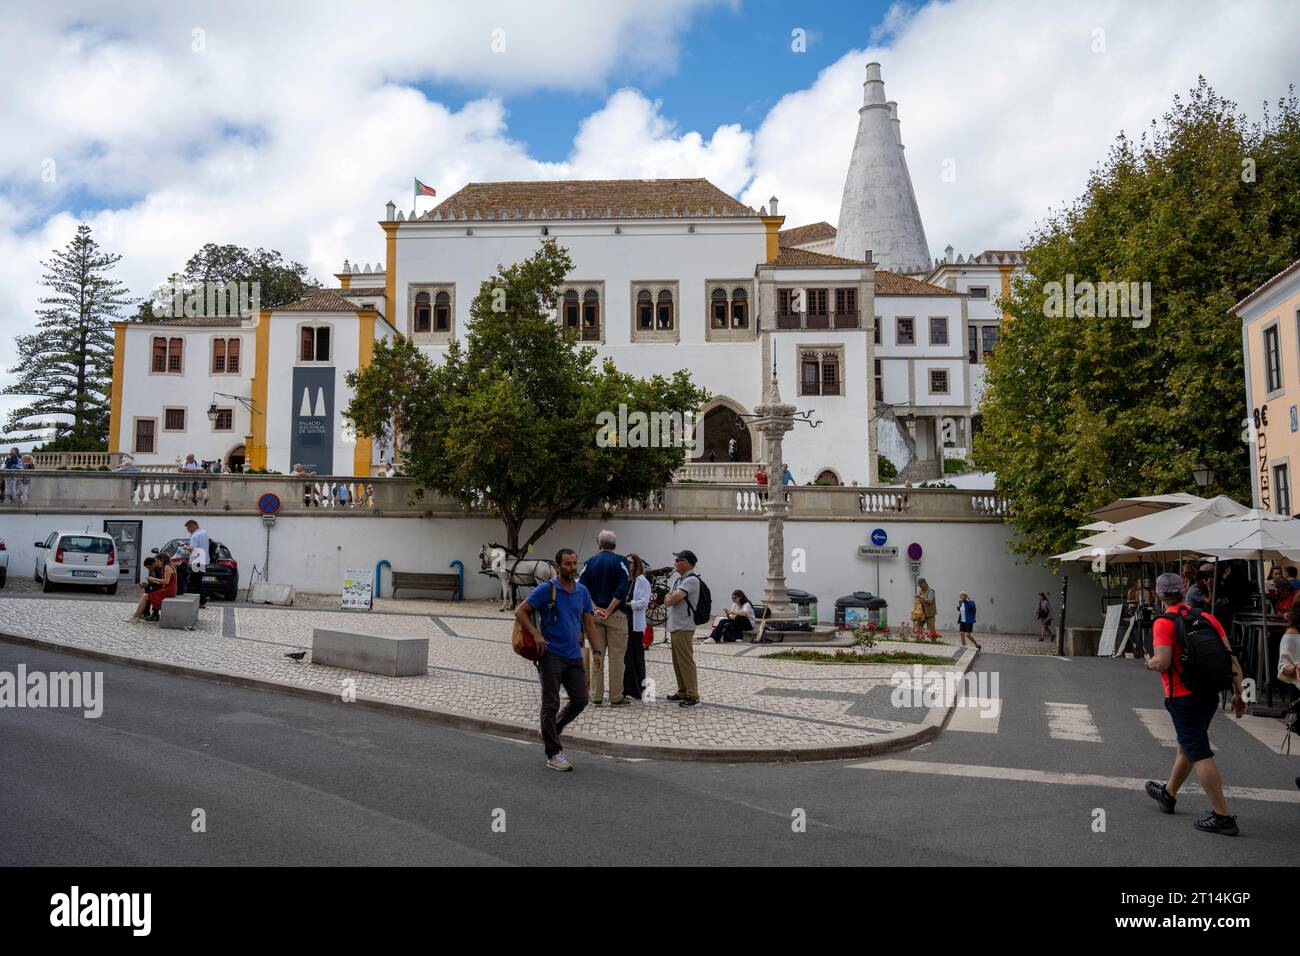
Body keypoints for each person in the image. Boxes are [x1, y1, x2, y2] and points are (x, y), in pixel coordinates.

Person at [1143, 572, 1246, 836]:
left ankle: (1223, 817)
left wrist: (1149, 662)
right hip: (1209, 693)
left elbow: (1163, 661)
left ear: (1159, 594)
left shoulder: (1163, 622)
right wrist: (1239, 693)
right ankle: (1168, 794)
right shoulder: (1207, 617)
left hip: (1182, 695)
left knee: (1199, 751)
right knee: (1188, 745)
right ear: (1183, 589)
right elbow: (1231, 658)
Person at [515, 548, 595, 772]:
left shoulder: (582, 591)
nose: (571, 567)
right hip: (551, 655)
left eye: (574, 563)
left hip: (574, 656)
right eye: (567, 564)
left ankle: (550, 729)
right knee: (551, 703)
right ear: (557, 567)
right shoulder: (546, 589)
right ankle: (553, 753)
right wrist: (537, 634)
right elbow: (520, 611)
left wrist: (596, 651)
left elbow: (588, 622)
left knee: (581, 699)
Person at [577, 530, 631, 707]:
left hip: (594, 616)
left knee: (596, 655)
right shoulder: (622, 561)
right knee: (617, 658)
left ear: (598, 544)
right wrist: (608, 609)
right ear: (614, 545)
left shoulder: (590, 562)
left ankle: (596, 696)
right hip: (616, 615)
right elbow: (623, 588)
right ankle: (616, 697)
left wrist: (594, 608)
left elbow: (581, 587)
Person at [663, 549, 702, 707]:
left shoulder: (691, 580)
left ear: (687, 563)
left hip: (684, 626)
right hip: (676, 625)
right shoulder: (679, 580)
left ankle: (693, 695)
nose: (675, 563)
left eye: (678, 560)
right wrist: (669, 597)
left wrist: (668, 597)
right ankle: (682, 691)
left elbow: (672, 599)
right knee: (677, 661)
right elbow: (670, 597)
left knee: (685, 661)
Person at [623, 553, 651, 701]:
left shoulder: (642, 581)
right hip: (626, 623)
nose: (629, 565)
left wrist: (628, 604)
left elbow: (644, 602)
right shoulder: (627, 580)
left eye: (631, 563)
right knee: (627, 658)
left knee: (636, 657)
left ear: (636, 565)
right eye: (627, 563)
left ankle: (638, 689)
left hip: (635, 624)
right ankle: (627, 688)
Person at [130, 554, 177, 623]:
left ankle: (136, 617)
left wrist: (153, 579)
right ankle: (137, 616)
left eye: (157, 561)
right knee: (146, 594)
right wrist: (154, 581)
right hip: (169, 589)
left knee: (145, 595)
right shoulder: (168, 566)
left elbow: (166, 581)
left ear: (162, 560)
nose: (156, 563)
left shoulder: (167, 567)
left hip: (169, 591)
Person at [184, 519, 212, 608]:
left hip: (197, 561)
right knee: (197, 580)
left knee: (196, 581)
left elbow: (193, 550)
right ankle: (202, 599)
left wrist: (185, 547)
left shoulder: (195, 536)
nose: (188, 530)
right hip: (203, 560)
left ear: (193, 525)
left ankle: (202, 600)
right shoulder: (204, 532)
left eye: (188, 527)